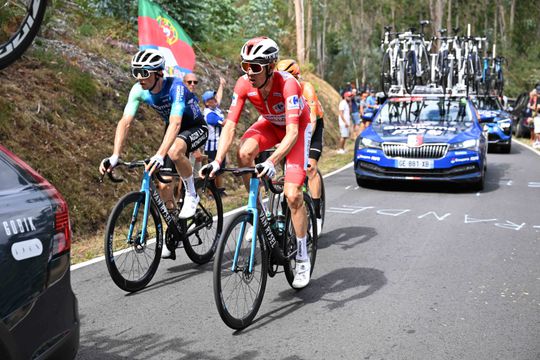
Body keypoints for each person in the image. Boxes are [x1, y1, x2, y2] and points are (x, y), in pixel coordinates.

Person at [199, 37, 313, 289]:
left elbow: (293, 133)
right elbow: (229, 125)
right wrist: (218, 160)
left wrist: (272, 161)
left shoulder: (289, 85)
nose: (249, 72)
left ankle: (303, 256)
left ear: (271, 67)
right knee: (244, 152)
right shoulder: (243, 85)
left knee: (293, 195)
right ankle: (257, 211)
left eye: (256, 67)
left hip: (297, 128)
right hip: (271, 125)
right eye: (245, 65)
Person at [99, 48, 208, 260]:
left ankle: (192, 193)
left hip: (195, 127)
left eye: (145, 73)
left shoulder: (175, 87)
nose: (140, 78)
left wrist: (160, 154)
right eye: (136, 72)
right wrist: (114, 155)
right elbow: (125, 122)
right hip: (173, 131)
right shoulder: (138, 90)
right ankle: (174, 228)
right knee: (163, 184)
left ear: (158, 73)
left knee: (175, 151)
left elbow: (177, 122)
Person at [277, 58, 325, 234]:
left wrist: (302, 147)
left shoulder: (307, 88)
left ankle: (317, 214)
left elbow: (311, 121)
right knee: (287, 172)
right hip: (293, 128)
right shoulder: (280, 90)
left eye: (289, 77)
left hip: (312, 127)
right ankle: (284, 213)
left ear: (297, 76)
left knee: (311, 167)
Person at [202, 82, 227, 192]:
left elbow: (219, 97)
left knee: (220, 169)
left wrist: (221, 85)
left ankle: (219, 190)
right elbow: (223, 123)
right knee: (213, 169)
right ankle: (212, 191)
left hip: (218, 145)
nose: (215, 99)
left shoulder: (215, 109)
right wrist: (232, 117)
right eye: (212, 98)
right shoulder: (209, 114)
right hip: (212, 147)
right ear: (207, 103)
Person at [183, 72, 204, 175]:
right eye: (189, 82)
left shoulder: (194, 99)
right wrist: (195, 149)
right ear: (183, 83)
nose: (192, 84)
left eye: (195, 82)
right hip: (186, 143)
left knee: (195, 176)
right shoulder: (181, 99)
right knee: (188, 174)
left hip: (194, 139)